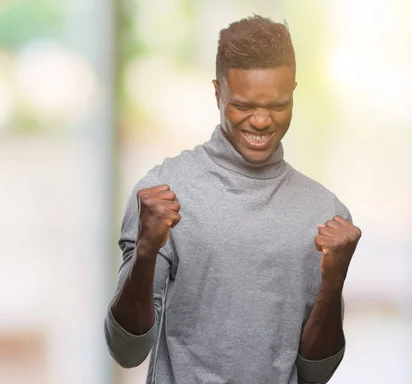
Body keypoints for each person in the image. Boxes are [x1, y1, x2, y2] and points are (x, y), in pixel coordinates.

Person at [104, 15, 362, 384]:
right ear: (217, 93)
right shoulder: (164, 193)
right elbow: (126, 351)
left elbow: (316, 373)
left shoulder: (325, 212)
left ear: (293, 91)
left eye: (277, 105)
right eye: (243, 105)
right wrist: (145, 251)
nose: (261, 121)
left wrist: (334, 282)